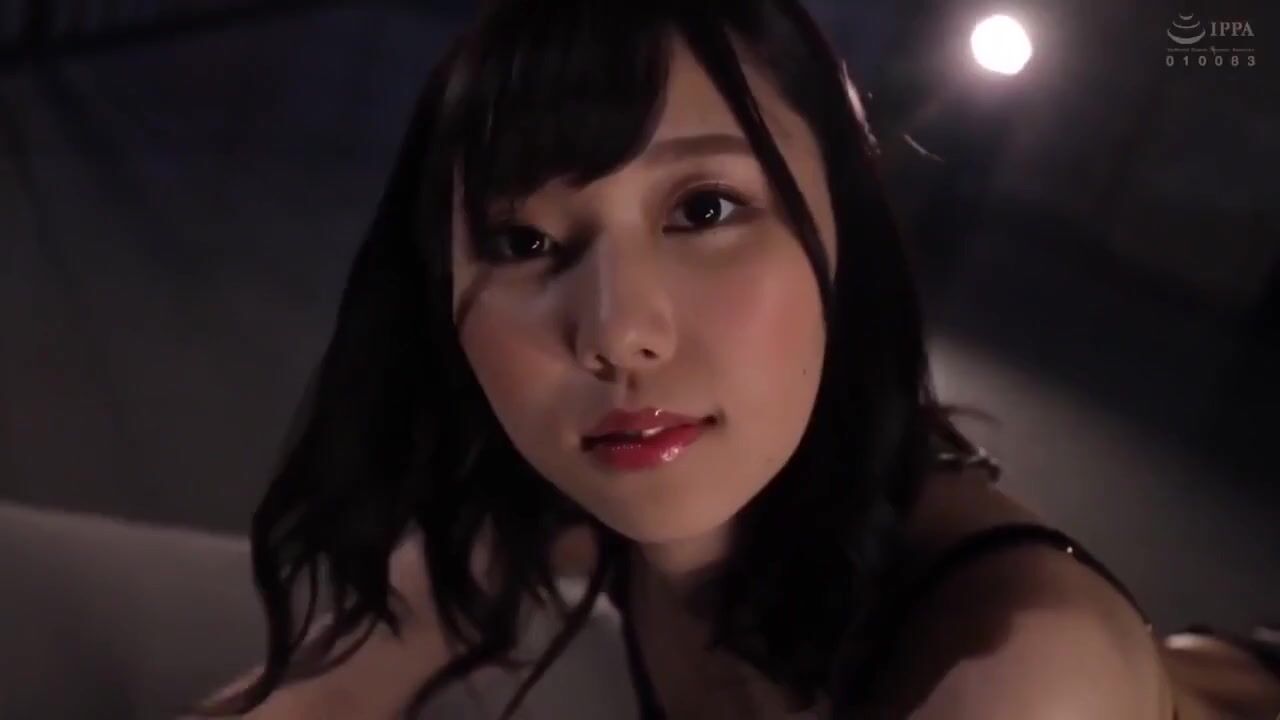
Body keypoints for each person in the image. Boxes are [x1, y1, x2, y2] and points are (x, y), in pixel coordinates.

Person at [194, 0, 1280, 718]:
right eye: (523, 242)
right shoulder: (560, 491)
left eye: (704, 208)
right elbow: (319, 698)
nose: (617, 332)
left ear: (842, 237)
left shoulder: (1018, 671)